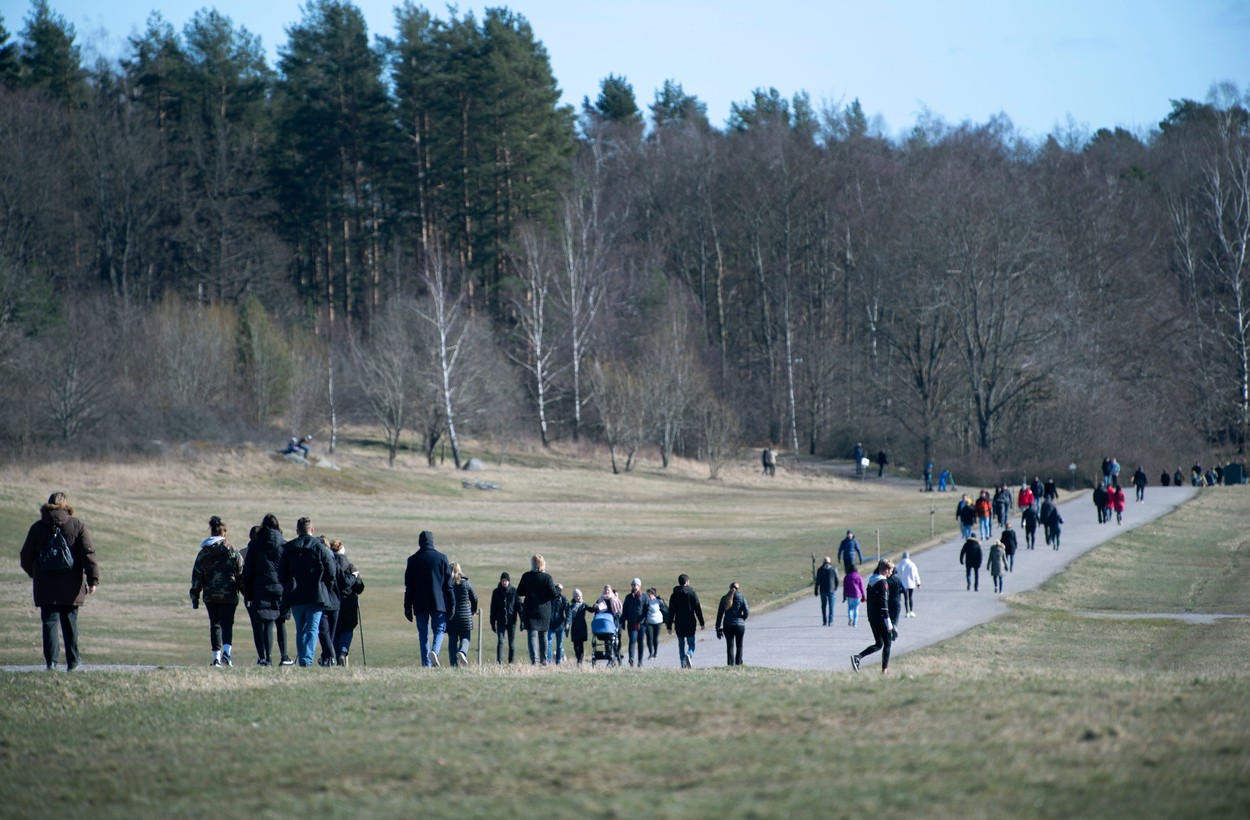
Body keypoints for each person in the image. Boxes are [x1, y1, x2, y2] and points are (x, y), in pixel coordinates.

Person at [20, 491, 100, 671]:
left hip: (46, 586)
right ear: (67, 505)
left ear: (48, 505)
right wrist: (93, 579)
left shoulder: (37, 528)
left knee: (49, 622)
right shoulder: (77, 525)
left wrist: (35, 574)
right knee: (70, 622)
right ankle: (73, 662)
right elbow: (88, 554)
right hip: (71, 586)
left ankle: (52, 663)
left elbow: (25, 556)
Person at [278, 517, 341, 667]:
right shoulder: (319, 547)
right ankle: (306, 660)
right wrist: (328, 586)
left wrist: (288, 585)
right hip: (316, 593)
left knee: (301, 629)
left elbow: (281, 573)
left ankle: (304, 660)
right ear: (311, 530)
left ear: (297, 531)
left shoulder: (289, 548)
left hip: (296, 594)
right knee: (313, 629)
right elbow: (331, 569)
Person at [190, 516, 244, 667]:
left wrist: (195, 595)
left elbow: (197, 575)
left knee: (215, 624)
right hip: (229, 594)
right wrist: (245, 592)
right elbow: (240, 572)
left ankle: (217, 658)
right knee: (228, 623)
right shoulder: (232, 551)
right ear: (224, 533)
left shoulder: (204, 553)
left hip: (211, 595)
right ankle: (227, 654)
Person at [242, 514, 293, 667]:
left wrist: (248, 593)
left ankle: (267, 658)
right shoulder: (284, 545)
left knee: (267, 622)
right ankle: (284, 656)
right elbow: (290, 570)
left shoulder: (255, 546)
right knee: (281, 622)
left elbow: (248, 572)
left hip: (261, 589)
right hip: (281, 589)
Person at [404, 531, 453, 667]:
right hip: (439, 602)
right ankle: (434, 652)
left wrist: (407, 607)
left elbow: (409, 587)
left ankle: (426, 664)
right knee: (439, 630)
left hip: (419, 603)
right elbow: (448, 586)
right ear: (432, 541)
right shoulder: (442, 558)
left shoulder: (412, 560)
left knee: (423, 634)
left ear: (420, 542)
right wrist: (452, 605)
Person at [851, 560, 895, 674]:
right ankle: (884, 670)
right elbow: (884, 603)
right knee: (888, 643)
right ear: (886, 570)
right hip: (881, 617)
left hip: (872, 617)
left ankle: (858, 657)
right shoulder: (883, 583)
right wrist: (888, 622)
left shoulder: (872, 580)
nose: (891, 573)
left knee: (879, 644)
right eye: (890, 571)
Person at [516, 554, 560, 665]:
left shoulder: (526, 576)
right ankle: (544, 660)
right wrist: (559, 588)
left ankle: (534, 660)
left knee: (532, 635)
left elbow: (519, 592)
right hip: (544, 611)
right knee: (543, 635)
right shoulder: (547, 578)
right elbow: (554, 594)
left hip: (530, 609)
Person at [329, 539, 364, 667]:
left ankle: (337, 657)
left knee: (335, 631)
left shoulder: (329, 565)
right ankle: (344, 652)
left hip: (333, 603)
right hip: (349, 604)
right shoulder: (350, 567)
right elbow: (359, 587)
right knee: (347, 629)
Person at [316, 535, 344, 668]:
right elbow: (342, 580)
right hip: (334, 601)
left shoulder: (315, 559)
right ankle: (329, 657)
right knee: (329, 633)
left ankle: (327, 657)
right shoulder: (333, 560)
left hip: (321, 600)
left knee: (324, 632)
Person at [665, 574, 704, 668]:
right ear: (686, 582)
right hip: (690, 622)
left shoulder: (674, 595)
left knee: (681, 644)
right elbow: (697, 608)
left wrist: (669, 626)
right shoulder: (692, 593)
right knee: (691, 643)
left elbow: (671, 612)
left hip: (679, 622)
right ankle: (689, 654)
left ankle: (683, 664)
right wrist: (701, 622)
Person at [446, 561, 477, 667]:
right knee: (465, 637)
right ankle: (462, 652)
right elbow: (474, 598)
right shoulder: (466, 583)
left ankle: (453, 665)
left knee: (452, 641)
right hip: (465, 616)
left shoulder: (447, 584)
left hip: (451, 616)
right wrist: (473, 610)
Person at [714, 582, 749, 666]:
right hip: (740, 626)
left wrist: (718, 627)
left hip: (727, 625)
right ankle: (739, 663)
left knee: (730, 646)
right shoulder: (742, 598)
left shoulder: (724, 599)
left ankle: (730, 664)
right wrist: (742, 619)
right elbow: (747, 612)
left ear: (729, 588)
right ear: (738, 589)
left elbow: (720, 614)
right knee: (739, 645)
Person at [490, 572, 519, 664]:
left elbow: (519, 607)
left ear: (508, 581)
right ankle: (499, 662)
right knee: (501, 641)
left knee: (511, 644)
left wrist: (523, 621)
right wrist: (492, 622)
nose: (504, 582)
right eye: (503, 581)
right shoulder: (496, 592)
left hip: (512, 622)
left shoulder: (514, 591)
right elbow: (493, 608)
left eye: (506, 581)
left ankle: (511, 662)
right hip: (500, 621)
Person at [621, 578, 648, 667]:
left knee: (640, 642)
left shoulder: (644, 597)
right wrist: (622, 621)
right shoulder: (628, 597)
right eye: (632, 585)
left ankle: (640, 661)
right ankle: (631, 658)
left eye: (635, 585)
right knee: (632, 640)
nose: (633, 586)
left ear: (639, 586)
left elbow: (647, 609)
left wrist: (646, 620)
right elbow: (625, 610)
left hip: (642, 624)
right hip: (631, 623)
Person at [546, 583, 569, 665]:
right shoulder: (549, 599)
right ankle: (548, 661)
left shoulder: (563, 599)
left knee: (559, 645)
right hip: (550, 625)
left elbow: (568, 611)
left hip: (560, 625)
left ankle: (558, 662)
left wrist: (567, 622)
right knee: (549, 643)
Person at [814, 555, 840, 626]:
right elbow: (837, 579)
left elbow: (817, 581)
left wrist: (816, 589)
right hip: (831, 590)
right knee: (831, 606)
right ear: (830, 562)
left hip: (823, 590)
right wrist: (835, 587)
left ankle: (824, 621)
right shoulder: (834, 569)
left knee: (823, 606)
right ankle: (830, 621)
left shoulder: (820, 570)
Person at [894, 551, 921, 617]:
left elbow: (898, 575)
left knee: (906, 598)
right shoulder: (912, 564)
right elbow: (916, 574)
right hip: (911, 584)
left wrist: (897, 583)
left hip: (903, 584)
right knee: (910, 597)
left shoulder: (900, 564)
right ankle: (911, 611)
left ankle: (907, 612)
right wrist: (918, 583)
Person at [643, 587, 667, 659]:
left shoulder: (658, 601)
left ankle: (655, 653)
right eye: (647, 595)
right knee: (649, 637)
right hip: (648, 622)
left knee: (655, 638)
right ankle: (651, 653)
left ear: (654, 595)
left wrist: (668, 621)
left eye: (650, 595)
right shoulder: (645, 602)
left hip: (658, 621)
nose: (648, 597)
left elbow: (665, 610)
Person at [568, 589, 590, 665]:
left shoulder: (583, 605)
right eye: (577, 596)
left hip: (582, 626)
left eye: (580, 596)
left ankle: (580, 661)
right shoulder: (571, 606)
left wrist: (597, 606)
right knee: (575, 645)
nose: (579, 598)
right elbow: (569, 616)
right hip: (574, 627)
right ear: (574, 597)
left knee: (581, 644)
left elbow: (591, 609)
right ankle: (578, 658)